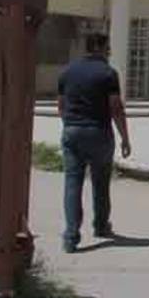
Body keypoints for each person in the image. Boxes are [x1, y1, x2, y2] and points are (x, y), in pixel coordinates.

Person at [57, 32, 132, 254]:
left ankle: (71, 236)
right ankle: (100, 225)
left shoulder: (67, 71)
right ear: (98, 47)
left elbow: (60, 105)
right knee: (100, 182)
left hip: (72, 131)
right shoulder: (108, 73)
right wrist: (125, 137)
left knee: (73, 183)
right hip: (99, 132)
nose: (109, 52)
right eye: (107, 48)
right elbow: (116, 107)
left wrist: (70, 126)